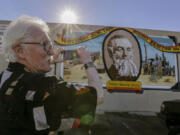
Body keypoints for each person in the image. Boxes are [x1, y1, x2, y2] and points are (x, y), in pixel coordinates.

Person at [0, 15, 104, 135]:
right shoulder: (46, 85)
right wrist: (88, 61)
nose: (51, 52)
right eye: (44, 45)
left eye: (50, 46)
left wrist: (45, 62)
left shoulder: (4, 77)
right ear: (20, 51)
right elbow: (98, 96)